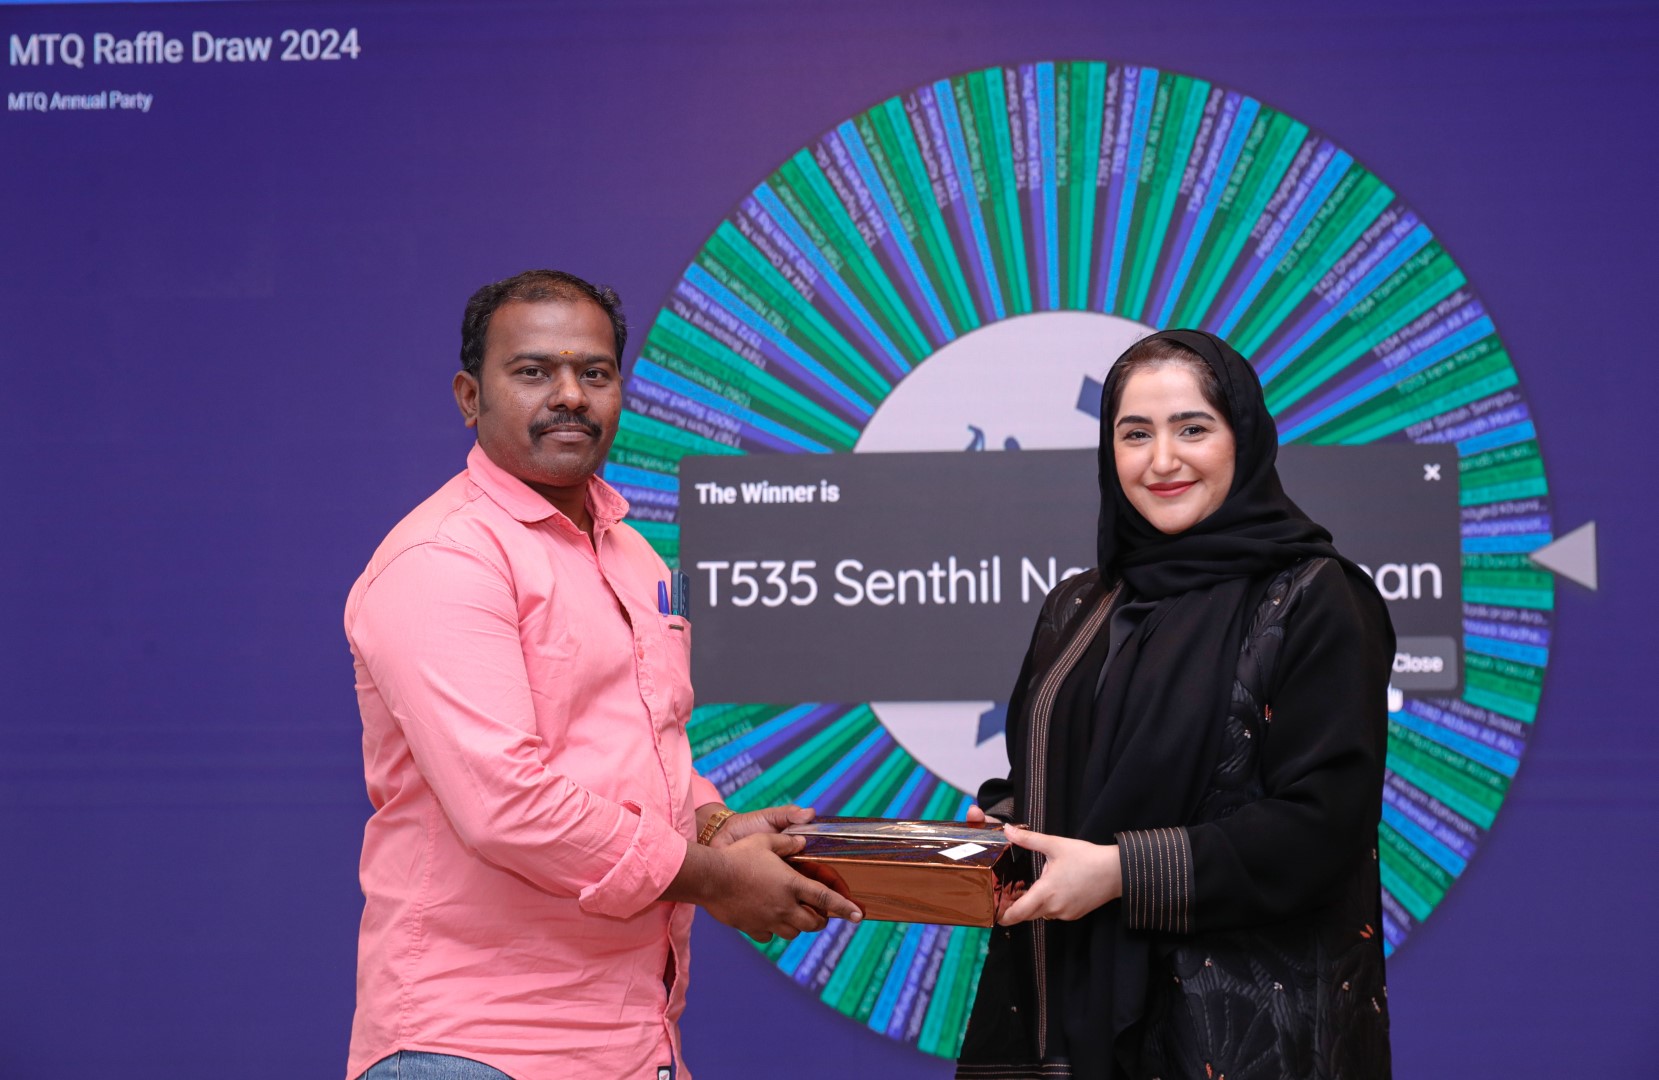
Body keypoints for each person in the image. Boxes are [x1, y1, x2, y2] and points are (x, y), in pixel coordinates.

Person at [343, 269, 860, 1080]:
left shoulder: (634, 554)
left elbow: (643, 748)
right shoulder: (444, 559)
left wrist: (715, 827)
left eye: (594, 372)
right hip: (474, 1045)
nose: (569, 396)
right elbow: (508, 804)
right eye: (532, 371)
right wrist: (717, 879)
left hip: (634, 1041)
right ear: (470, 397)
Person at [957, 330, 1395, 1079]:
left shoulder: (1316, 598)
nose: (1161, 460)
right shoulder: (1077, 606)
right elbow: (1063, 776)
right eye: (1135, 434)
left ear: (1243, 439)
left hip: (1244, 1042)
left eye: (1192, 429)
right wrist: (1007, 829)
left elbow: (1323, 825)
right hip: (1063, 1018)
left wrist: (1123, 871)